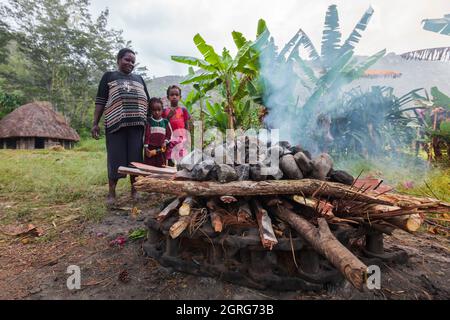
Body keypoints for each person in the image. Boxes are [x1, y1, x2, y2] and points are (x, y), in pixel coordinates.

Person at [91, 48, 150, 205]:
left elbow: (148, 101)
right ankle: (112, 193)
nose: (130, 63)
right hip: (116, 125)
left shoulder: (139, 79)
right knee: (115, 157)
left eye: (132, 61)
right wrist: (95, 123)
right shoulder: (109, 76)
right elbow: (100, 101)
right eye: (127, 59)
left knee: (135, 159)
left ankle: (135, 190)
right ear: (118, 60)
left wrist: (150, 122)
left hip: (137, 126)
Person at [162, 85, 190, 166]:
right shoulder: (165, 111)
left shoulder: (183, 110)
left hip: (181, 138)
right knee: (170, 156)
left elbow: (186, 124)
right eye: (172, 95)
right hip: (170, 138)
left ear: (180, 97)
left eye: (176, 95)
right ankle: (170, 174)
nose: (174, 97)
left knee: (181, 157)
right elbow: (163, 124)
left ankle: (179, 173)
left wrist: (187, 138)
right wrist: (168, 116)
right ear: (168, 97)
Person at [144, 98, 173, 167]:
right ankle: (148, 178)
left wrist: (165, 142)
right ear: (150, 111)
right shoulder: (149, 121)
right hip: (150, 148)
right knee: (149, 166)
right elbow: (146, 135)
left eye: (159, 110)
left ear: (162, 110)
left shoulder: (165, 122)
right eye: (154, 110)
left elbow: (169, 134)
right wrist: (145, 147)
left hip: (162, 149)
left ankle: (160, 178)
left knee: (161, 166)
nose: (157, 112)